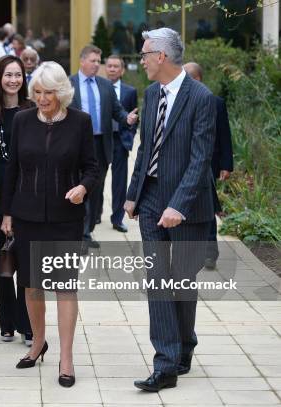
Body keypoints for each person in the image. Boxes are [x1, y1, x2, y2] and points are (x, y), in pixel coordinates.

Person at [125, 28, 216, 392]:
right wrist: (132, 194)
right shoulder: (151, 94)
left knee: (181, 281)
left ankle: (184, 345)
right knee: (158, 281)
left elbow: (200, 159)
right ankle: (165, 363)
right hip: (150, 201)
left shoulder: (201, 98)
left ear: (161, 56)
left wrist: (178, 204)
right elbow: (147, 149)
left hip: (188, 206)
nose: (142, 60)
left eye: (145, 54)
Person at [0, 62, 99, 387]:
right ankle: (38, 344)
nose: (42, 98)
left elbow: (92, 168)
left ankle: (66, 358)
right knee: (31, 286)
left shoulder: (80, 123)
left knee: (64, 288)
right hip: (27, 217)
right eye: (38, 92)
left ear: (62, 93)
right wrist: (7, 213)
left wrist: (82, 188)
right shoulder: (23, 121)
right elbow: (11, 170)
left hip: (64, 219)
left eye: (48, 93)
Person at [69, 45, 138, 248]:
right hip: (77, 144)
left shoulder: (105, 85)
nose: (96, 65)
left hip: (100, 143)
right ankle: (81, 235)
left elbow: (118, 112)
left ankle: (87, 231)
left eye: (98, 62)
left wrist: (128, 118)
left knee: (96, 189)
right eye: (93, 61)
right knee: (80, 186)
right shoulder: (69, 83)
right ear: (82, 61)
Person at [0, 55, 33, 345]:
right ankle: (6, 322)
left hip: (26, 193)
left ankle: (27, 323)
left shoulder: (32, 109)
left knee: (26, 261)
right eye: (8, 75)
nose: (13, 80)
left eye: (18, 75)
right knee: (2, 256)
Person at [183, 61, 233, 269]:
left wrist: (226, 165)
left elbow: (224, 135)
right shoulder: (180, 101)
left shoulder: (216, 102)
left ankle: (210, 253)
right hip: (185, 163)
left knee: (208, 207)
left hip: (209, 164)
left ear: (197, 79)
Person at [105, 55, 138, 233]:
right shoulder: (100, 87)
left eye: (116, 66)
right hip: (101, 138)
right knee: (96, 179)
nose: (112, 69)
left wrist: (130, 135)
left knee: (119, 182)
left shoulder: (130, 91)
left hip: (120, 141)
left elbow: (134, 116)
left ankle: (117, 219)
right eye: (109, 66)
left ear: (122, 70)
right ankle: (95, 213)